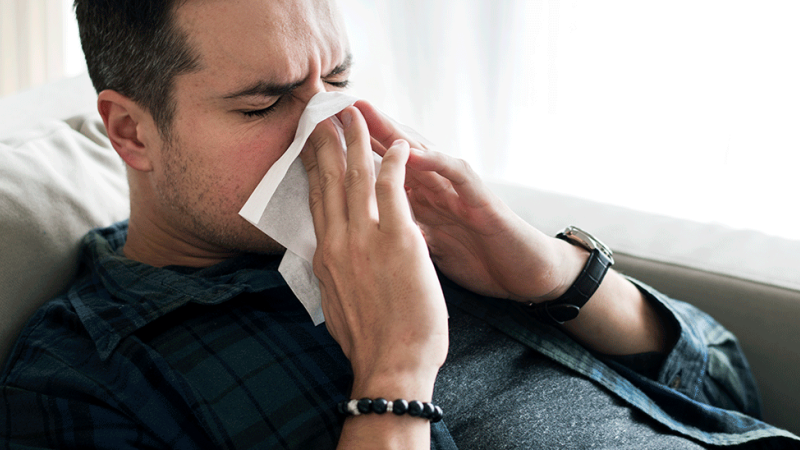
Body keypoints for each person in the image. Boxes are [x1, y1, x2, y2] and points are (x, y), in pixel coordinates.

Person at [0, 0, 797, 448]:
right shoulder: (84, 380)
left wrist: (549, 274)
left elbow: (730, 388)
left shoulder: (428, 231)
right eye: (265, 102)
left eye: (339, 78)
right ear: (131, 132)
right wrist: (393, 377)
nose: (332, 130)